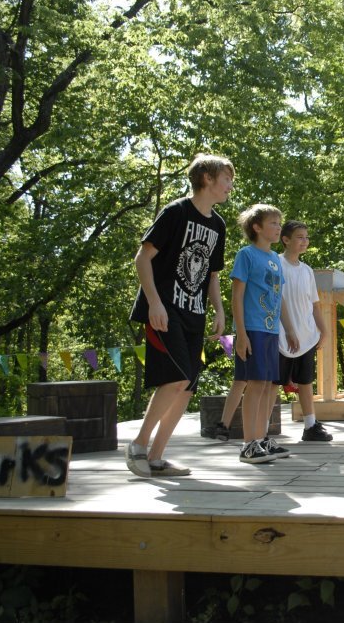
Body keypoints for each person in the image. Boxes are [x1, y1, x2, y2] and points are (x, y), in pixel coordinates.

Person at [125, 153, 232, 478]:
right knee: (176, 378)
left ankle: (157, 457)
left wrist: (219, 309)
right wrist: (154, 303)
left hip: (194, 315)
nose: (230, 186)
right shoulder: (176, 212)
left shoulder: (218, 225)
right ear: (207, 179)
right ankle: (138, 446)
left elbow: (212, 275)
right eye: (226, 179)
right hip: (165, 310)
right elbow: (142, 258)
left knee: (187, 387)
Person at [230, 204, 298, 464]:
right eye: (273, 223)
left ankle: (261, 438)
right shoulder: (246, 255)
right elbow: (237, 296)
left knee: (269, 385)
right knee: (255, 383)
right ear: (257, 227)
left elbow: (280, 298)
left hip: (271, 331)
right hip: (253, 329)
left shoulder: (275, 260)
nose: (279, 227)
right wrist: (241, 333)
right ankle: (248, 444)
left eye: (279, 223)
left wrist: (289, 329)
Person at [275, 220, 332, 442]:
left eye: (307, 237)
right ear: (285, 239)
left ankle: (310, 425)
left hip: (307, 335)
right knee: (273, 383)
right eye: (299, 237)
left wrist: (324, 332)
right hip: (282, 334)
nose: (305, 241)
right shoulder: (276, 264)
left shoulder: (307, 271)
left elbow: (315, 305)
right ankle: (261, 431)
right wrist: (288, 330)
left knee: (306, 381)